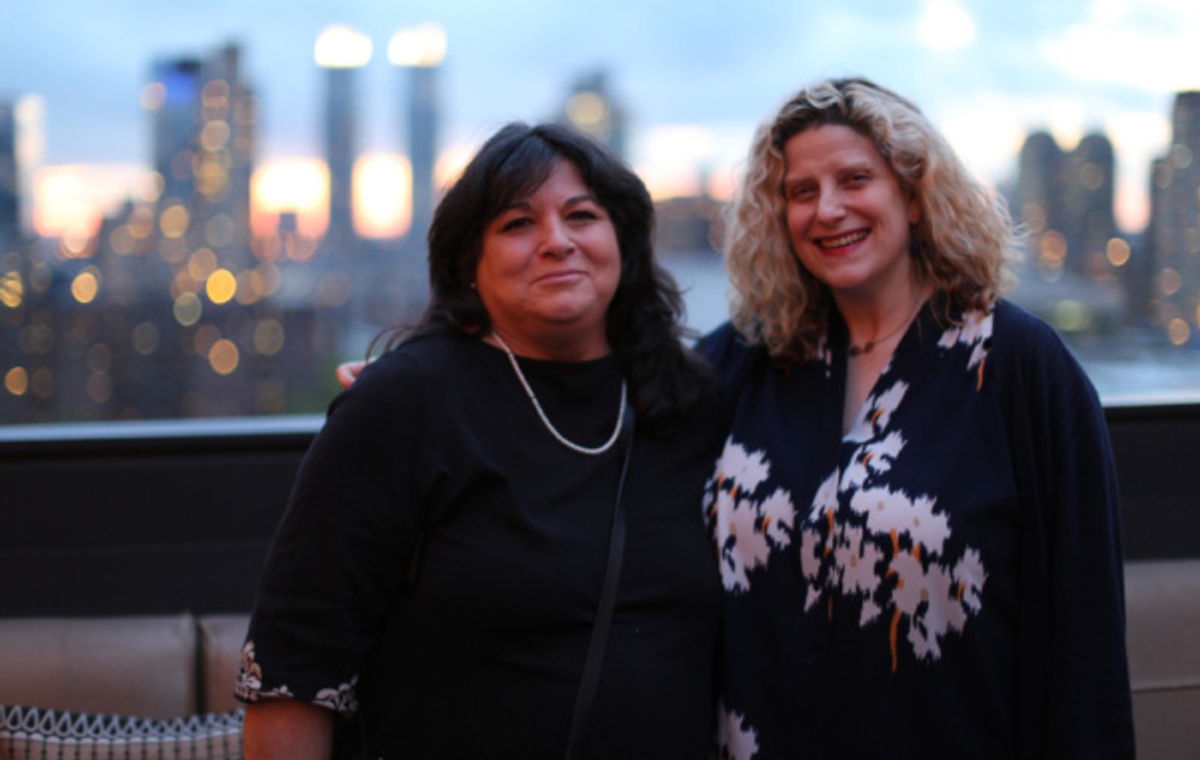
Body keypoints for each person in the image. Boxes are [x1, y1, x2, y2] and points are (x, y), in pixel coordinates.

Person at [237, 122, 725, 759]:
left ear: (623, 243)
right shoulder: (404, 404)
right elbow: (293, 665)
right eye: (518, 223)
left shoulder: (689, 402)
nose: (556, 241)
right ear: (469, 263)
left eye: (582, 216)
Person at [702, 77, 1134, 758]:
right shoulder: (742, 362)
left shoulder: (1020, 368)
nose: (828, 209)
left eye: (855, 179)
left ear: (911, 193)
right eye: (801, 191)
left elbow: (1085, 636)